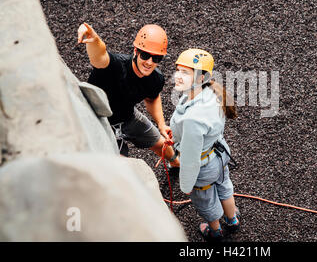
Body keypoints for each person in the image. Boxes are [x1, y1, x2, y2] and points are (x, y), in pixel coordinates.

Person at [77, 22, 179, 167]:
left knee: (161, 144)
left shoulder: (156, 79)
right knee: (121, 167)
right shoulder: (116, 66)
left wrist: (162, 125)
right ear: (136, 51)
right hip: (99, 121)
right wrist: (94, 41)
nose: (149, 62)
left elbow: (152, 98)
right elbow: (99, 57)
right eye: (145, 55)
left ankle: (176, 164)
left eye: (156, 58)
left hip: (127, 117)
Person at [169, 48, 240, 241]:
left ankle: (215, 231)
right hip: (219, 154)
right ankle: (232, 219)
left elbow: (191, 159)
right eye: (178, 70)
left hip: (203, 166)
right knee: (224, 186)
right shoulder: (212, 94)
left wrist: (186, 184)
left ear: (201, 78)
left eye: (185, 72)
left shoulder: (193, 118)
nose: (178, 76)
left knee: (206, 200)